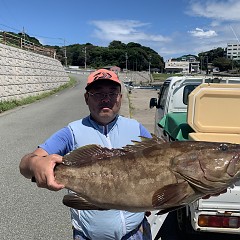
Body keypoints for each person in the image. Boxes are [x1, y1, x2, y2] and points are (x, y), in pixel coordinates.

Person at [19, 69, 152, 240]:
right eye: (98, 93)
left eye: (112, 93)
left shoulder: (137, 129)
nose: (106, 99)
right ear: (86, 98)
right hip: (88, 235)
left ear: (120, 97)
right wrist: (35, 164)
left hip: (136, 232)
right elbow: (25, 165)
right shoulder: (72, 132)